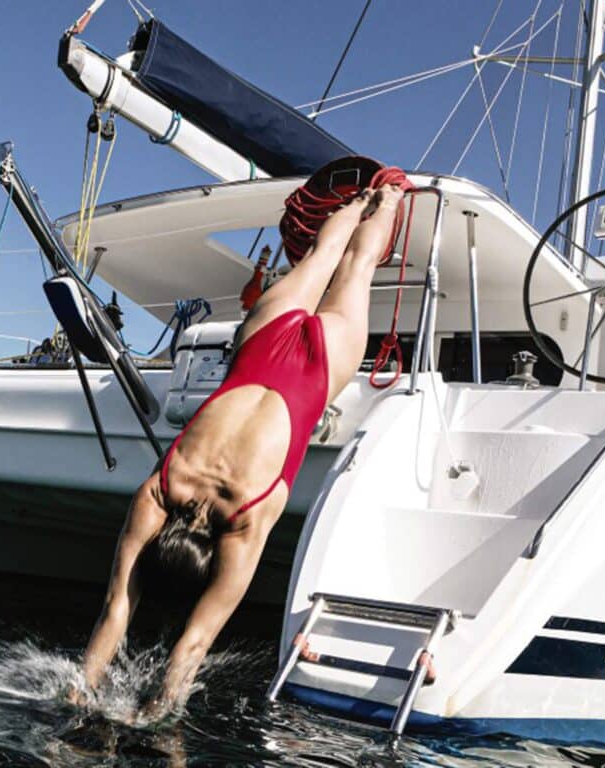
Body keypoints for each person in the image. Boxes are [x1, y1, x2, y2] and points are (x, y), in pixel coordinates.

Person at [80, 181, 406, 721]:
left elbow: (193, 644)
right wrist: (80, 684)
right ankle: (362, 198)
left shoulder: (245, 524)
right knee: (326, 254)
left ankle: (392, 199)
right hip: (265, 340)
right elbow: (115, 608)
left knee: (360, 263)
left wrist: (156, 715)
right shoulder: (162, 491)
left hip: (320, 367)